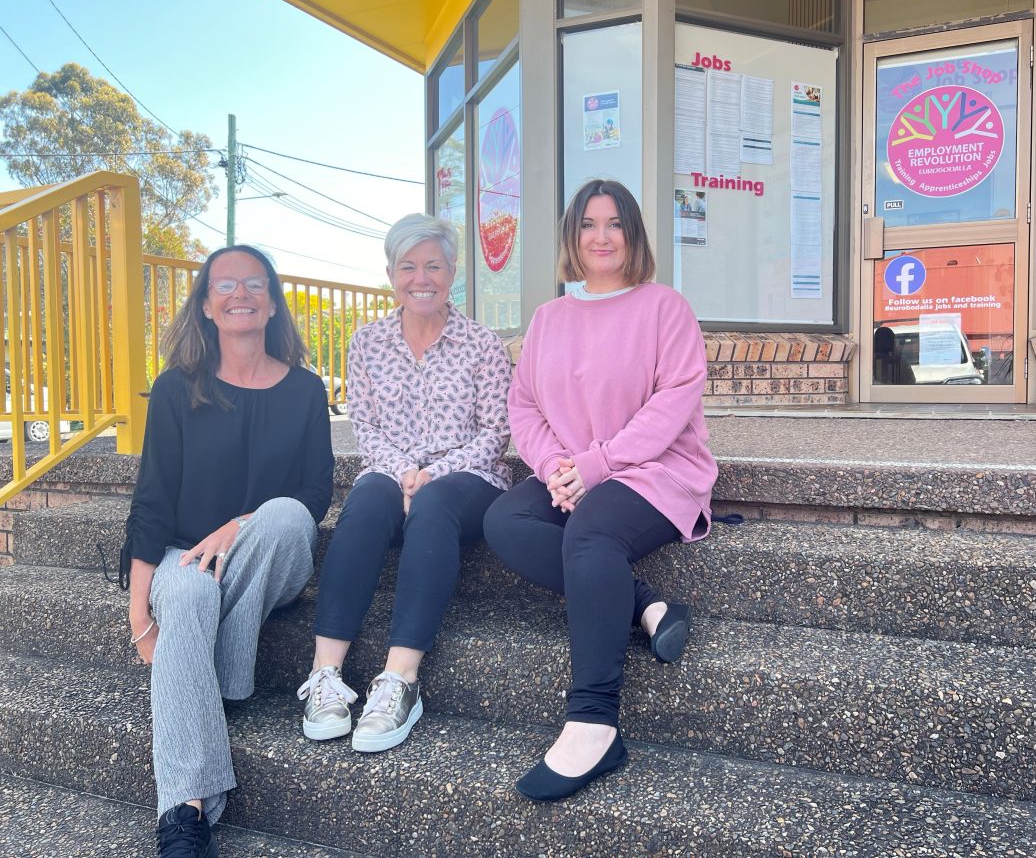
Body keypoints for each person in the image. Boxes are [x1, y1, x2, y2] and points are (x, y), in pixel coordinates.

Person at [483, 179, 717, 802]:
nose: (602, 236)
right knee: (504, 520)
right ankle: (640, 601)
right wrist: (559, 467)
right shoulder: (550, 317)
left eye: (614, 224)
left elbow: (675, 399)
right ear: (572, 237)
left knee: (590, 535)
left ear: (633, 234)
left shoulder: (664, 306)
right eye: (588, 224)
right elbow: (525, 402)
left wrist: (598, 465)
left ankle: (594, 722)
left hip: (654, 471)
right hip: (574, 470)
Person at [120, 245, 334, 858]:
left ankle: (203, 678)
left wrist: (241, 524)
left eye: (254, 283)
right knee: (187, 589)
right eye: (225, 285)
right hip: (183, 557)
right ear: (207, 306)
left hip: (270, 556)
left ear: (271, 302)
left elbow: (315, 493)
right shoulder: (174, 390)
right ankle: (185, 811)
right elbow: (153, 503)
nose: (240, 293)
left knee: (287, 513)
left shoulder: (305, 391)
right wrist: (141, 618)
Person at [298, 214, 511, 754]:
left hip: (467, 476)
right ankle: (326, 676)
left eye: (433, 266)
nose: (422, 278)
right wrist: (402, 474)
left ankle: (400, 680)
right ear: (391, 273)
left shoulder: (482, 345)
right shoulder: (367, 343)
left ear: (452, 271)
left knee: (436, 501)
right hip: (390, 471)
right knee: (366, 503)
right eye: (408, 266)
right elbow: (363, 424)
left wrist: (431, 475)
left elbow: (496, 430)